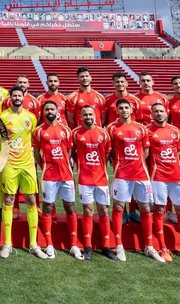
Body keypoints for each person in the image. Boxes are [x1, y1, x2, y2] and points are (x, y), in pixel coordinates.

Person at [107, 98, 163, 262]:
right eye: (121, 108)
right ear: (117, 111)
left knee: (145, 208)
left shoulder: (141, 128)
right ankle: (119, 246)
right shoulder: (112, 128)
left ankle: (149, 246)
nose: (124, 110)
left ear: (131, 110)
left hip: (141, 175)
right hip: (121, 175)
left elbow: (145, 151)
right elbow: (109, 150)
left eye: (127, 107)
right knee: (119, 206)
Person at [0, 86, 46, 259]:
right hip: (10, 164)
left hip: (27, 164)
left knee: (32, 199)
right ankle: (7, 243)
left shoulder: (31, 117)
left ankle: (34, 244)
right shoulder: (3, 117)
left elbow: (32, 138)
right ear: (10, 97)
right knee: (9, 199)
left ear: (24, 96)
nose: (17, 97)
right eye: (14, 95)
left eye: (20, 95)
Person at [148, 102, 180, 262]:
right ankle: (163, 247)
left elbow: (178, 151)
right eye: (155, 111)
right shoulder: (148, 131)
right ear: (152, 114)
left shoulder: (176, 131)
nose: (159, 114)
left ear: (167, 112)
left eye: (161, 111)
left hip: (176, 176)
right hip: (158, 177)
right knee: (159, 210)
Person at [33, 100, 81, 259]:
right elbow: (37, 154)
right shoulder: (39, 131)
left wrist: (63, 165)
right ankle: (49, 244)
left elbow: (68, 152)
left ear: (57, 111)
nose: (49, 111)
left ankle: (74, 244)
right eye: (47, 109)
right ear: (43, 112)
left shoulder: (66, 130)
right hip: (49, 176)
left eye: (52, 108)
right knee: (47, 207)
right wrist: (46, 166)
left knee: (69, 206)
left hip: (66, 175)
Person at [72, 105, 117, 260]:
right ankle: (88, 246)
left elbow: (106, 153)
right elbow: (72, 152)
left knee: (104, 210)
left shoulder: (103, 134)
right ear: (81, 116)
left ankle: (106, 246)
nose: (88, 117)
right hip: (84, 179)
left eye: (91, 114)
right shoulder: (76, 133)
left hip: (101, 179)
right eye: (85, 114)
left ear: (95, 115)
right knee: (88, 210)